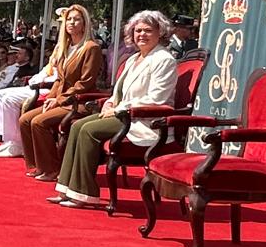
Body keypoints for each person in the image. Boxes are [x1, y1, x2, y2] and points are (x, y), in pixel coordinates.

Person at [52, 11, 179, 207]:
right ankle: (66, 188)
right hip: (123, 114)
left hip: (145, 121)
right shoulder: (133, 58)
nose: (142, 35)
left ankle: (84, 193)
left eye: (148, 30)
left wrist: (120, 109)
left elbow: (156, 99)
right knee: (76, 126)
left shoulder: (164, 59)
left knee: (88, 131)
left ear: (160, 32)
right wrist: (111, 102)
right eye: (138, 31)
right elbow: (119, 91)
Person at [17, 4, 106, 180]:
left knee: (39, 122)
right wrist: (51, 98)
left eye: (76, 19)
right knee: (25, 119)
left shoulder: (90, 48)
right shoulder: (66, 47)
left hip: (79, 101)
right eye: (69, 19)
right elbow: (60, 79)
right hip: (61, 98)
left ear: (85, 23)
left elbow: (85, 83)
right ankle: (37, 165)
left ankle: (53, 169)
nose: (71, 23)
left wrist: (59, 100)